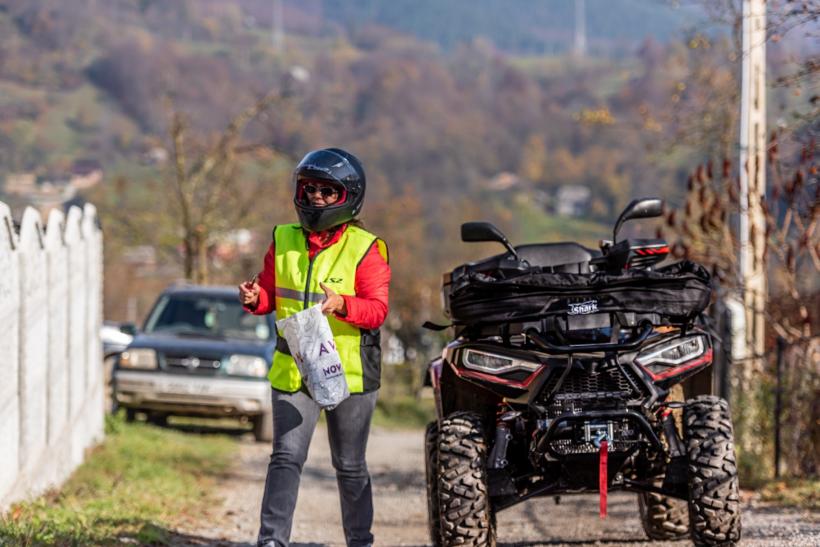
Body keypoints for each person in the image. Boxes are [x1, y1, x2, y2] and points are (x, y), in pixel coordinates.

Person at [238, 148, 390, 547]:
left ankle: (360, 541)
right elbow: (270, 294)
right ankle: (271, 541)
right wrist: (256, 299)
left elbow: (377, 311)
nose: (316, 198)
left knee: (350, 465)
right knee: (285, 458)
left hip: (349, 374)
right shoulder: (282, 238)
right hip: (294, 371)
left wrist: (343, 305)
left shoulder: (367, 248)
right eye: (310, 189)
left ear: (349, 197)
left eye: (328, 191)